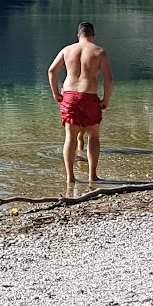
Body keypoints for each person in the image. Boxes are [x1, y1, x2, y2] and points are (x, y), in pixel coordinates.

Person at [47, 22, 114, 184]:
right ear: (93, 36)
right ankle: (92, 176)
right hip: (89, 96)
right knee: (94, 136)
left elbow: (51, 71)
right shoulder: (99, 52)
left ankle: (71, 177)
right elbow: (109, 79)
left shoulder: (67, 50)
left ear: (78, 35)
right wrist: (106, 99)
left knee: (70, 137)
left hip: (69, 96)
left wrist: (56, 93)